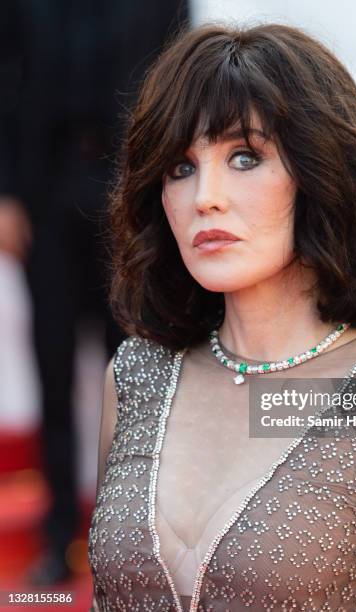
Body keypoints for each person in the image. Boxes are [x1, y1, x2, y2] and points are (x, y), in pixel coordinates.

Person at [87, 22, 356, 611]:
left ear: (318, 172)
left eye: (245, 157)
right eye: (180, 168)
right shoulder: (136, 378)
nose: (205, 194)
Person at [0, 0, 190, 585]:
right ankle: (58, 539)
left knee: (133, 375)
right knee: (53, 371)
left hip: (128, 205)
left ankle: (126, 540)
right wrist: (5, 195)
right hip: (47, 199)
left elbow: (178, 96)